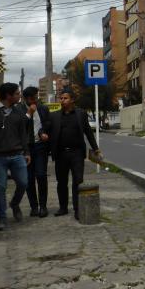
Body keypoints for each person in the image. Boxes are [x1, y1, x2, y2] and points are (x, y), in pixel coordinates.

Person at [47, 88, 101, 220]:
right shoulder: (54, 116)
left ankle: (78, 209)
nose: (62, 100)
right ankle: (63, 207)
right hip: (61, 154)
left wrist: (96, 148)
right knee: (61, 182)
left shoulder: (80, 114)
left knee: (78, 181)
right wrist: (42, 134)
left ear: (72, 100)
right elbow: (47, 130)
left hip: (77, 153)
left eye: (65, 98)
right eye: (61, 98)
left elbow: (88, 132)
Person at [0, 82, 30, 231]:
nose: (19, 96)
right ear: (8, 96)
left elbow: (23, 135)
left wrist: (27, 152)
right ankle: (2, 219)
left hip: (17, 155)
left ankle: (15, 203)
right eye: (17, 93)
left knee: (23, 183)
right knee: (0, 188)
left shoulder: (19, 113)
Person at [21, 86, 52, 218]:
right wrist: (29, 113)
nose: (35, 100)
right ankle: (34, 207)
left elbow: (48, 124)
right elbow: (20, 127)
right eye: (33, 98)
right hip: (26, 148)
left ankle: (43, 206)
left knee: (41, 175)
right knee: (29, 179)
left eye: (36, 97)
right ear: (26, 99)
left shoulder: (43, 108)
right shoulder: (19, 110)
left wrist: (43, 133)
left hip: (40, 147)